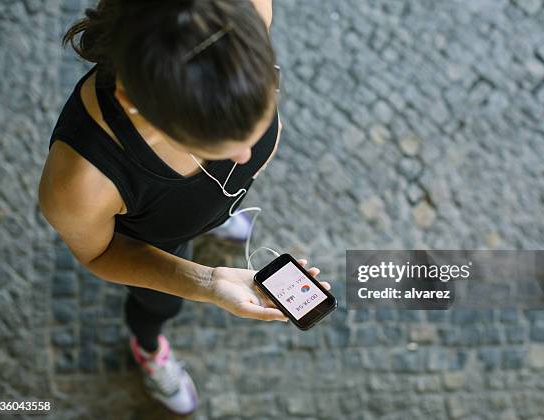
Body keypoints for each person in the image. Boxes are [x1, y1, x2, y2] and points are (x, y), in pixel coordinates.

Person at [37, 0, 331, 415]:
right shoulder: (79, 184)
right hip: (158, 239)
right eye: (217, 145)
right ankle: (148, 347)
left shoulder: (248, 8)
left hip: (205, 204)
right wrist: (206, 282)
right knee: (159, 305)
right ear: (135, 101)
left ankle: (217, 219)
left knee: (213, 210)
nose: (245, 156)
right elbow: (99, 253)